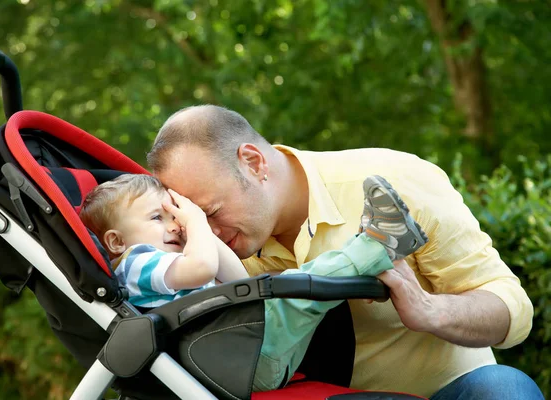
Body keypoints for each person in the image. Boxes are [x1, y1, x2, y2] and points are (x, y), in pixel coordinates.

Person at [146, 104, 543, 399]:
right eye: (194, 221)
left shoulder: (394, 180)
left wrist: (431, 310)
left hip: (450, 390)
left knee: (505, 390)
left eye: (212, 213)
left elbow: (511, 307)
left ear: (253, 163)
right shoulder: (197, 251)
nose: (208, 234)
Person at [78, 173, 428, 392]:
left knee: (303, 288)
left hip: (247, 353)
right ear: (115, 242)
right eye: (158, 217)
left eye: (175, 216)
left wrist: (197, 229)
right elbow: (201, 269)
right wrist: (197, 222)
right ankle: (376, 244)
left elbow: (237, 277)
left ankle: (373, 247)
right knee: (297, 285)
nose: (174, 225)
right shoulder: (137, 264)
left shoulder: (170, 262)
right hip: (241, 354)